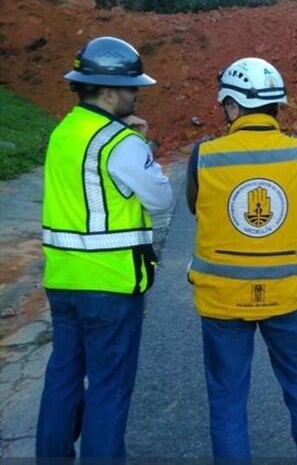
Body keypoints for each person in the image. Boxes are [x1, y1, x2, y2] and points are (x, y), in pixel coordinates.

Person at [36, 36, 173, 458]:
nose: (137, 95)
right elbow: (161, 198)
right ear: (109, 89)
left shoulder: (63, 132)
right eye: (133, 88)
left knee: (63, 376)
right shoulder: (121, 143)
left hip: (62, 280)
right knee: (109, 388)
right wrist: (145, 146)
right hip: (110, 285)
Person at [185, 57, 297, 458]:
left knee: (228, 402)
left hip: (222, 301)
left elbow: (197, 208)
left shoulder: (204, 155)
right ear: (276, 107)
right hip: (289, 296)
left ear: (231, 106)